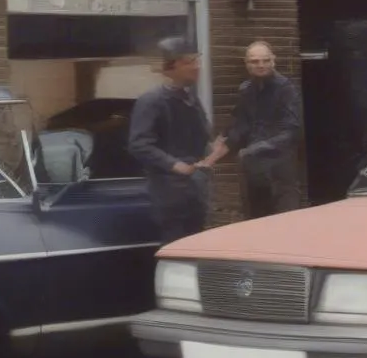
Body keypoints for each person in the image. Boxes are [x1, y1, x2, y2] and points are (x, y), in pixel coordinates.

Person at [128, 37, 222, 244]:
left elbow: (201, 135)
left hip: (196, 192)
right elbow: (139, 144)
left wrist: (212, 150)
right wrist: (175, 165)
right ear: (170, 67)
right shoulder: (152, 101)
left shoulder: (191, 99)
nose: (197, 67)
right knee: (176, 252)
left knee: (197, 247)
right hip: (170, 194)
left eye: (197, 61)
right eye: (189, 62)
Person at [217, 40, 303, 218]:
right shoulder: (246, 89)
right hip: (252, 168)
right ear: (246, 64)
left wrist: (257, 148)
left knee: (285, 220)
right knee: (254, 220)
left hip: (279, 167)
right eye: (255, 61)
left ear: (273, 61)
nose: (261, 65)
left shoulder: (286, 89)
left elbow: (292, 130)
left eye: (265, 60)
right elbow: (240, 125)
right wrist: (220, 146)